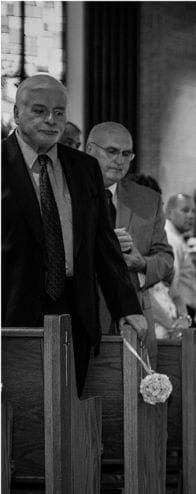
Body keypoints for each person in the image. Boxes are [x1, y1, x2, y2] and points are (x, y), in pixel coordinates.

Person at [1, 74, 145, 393]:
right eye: (39, 110)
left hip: (74, 311)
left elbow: (104, 245)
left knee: (69, 414)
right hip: (11, 310)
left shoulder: (83, 168)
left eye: (60, 112)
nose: (51, 120)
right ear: (16, 114)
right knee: (16, 420)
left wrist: (127, 307)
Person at [86, 122, 174, 340]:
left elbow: (165, 257)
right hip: (84, 314)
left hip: (136, 317)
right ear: (89, 149)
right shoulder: (68, 191)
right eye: (112, 151)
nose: (119, 160)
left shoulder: (148, 200)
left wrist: (142, 264)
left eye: (127, 154)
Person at [164, 193, 196, 324]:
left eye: (193, 211)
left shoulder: (176, 237)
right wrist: (183, 314)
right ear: (169, 213)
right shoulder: (170, 238)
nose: (191, 216)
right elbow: (170, 280)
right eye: (185, 210)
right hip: (179, 311)